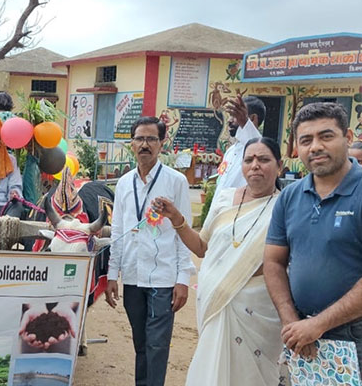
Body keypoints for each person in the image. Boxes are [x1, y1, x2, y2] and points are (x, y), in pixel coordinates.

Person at [153, 137, 283, 385]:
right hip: (214, 302)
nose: (255, 165)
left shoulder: (285, 206)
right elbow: (201, 247)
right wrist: (176, 217)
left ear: (279, 165)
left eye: (263, 159)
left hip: (257, 310)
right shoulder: (224, 198)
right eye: (248, 160)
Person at [264, 102, 362, 372]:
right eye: (306, 140)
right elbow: (273, 262)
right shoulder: (290, 196)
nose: (315, 146)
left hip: (354, 336)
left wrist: (318, 325)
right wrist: (290, 321)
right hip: (301, 334)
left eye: (326, 136)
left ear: (348, 137)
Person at [104, 116, 195, 386]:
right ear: (131, 144)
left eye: (151, 139)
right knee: (141, 343)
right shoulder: (123, 183)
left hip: (163, 278)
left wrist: (183, 279)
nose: (145, 144)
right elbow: (118, 229)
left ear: (161, 143)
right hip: (132, 275)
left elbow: (183, 231)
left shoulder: (176, 181)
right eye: (140, 139)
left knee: (157, 345)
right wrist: (112, 274)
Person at [214, 96, 265, 199]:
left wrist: (245, 122)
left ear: (252, 118)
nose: (229, 120)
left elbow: (256, 143)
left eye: (234, 116)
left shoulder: (258, 147)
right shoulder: (231, 151)